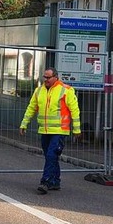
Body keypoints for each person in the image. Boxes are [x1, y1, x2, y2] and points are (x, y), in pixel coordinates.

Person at [19, 67, 80, 195]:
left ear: (55, 77)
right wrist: (24, 124)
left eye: (48, 77)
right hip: (44, 130)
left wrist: (76, 129)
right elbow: (31, 108)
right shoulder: (39, 90)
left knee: (51, 155)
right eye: (44, 77)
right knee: (50, 156)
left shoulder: (66, 90)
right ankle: (55, 181)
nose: (45, 79)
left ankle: (45, 181)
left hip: (59, 130)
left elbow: (74, 110)